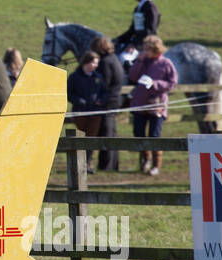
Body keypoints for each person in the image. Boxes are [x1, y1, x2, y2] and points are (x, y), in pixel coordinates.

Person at [128, 35, 178, 176]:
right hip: (140, 103)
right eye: (144, 49)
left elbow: (172, 83)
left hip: (157, 104)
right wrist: (139, 60)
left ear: (155, 49)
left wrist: (155, 84)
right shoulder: (143, 61)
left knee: (154, 135)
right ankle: (146, 159)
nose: (145, 51)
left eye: (148, 49)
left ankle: (156, 165)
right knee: (138, 134)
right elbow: (132, 76)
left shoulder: (165, 63)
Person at [91, 36, 125, 171]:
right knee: (111, 133)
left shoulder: (105, 62)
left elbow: (105, 83)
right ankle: (112, 165)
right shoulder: (114, 58)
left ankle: (106, 166)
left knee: (106, 134)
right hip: (115, 100)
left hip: (108, 102)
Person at [67, 51, 106, 168]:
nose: (95, 66)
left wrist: (101, 100)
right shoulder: (74, 77)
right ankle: (80, 162)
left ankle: (88, 162)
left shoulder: (98, 77)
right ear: (87, 62)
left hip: (95, 113)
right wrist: (79, 101)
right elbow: (68, 93)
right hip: (80, 113)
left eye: (96, 63)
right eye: (94, 63)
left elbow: (104, 92)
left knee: (91, 138)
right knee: (81, 138)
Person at [114, 0, 160, 64]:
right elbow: (132, 30)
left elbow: (150, 30)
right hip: (137, 41)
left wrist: (134, 44)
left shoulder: (150, 8)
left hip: (146, 44)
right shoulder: (138, 8)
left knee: (124, 58)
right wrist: (116, 40)